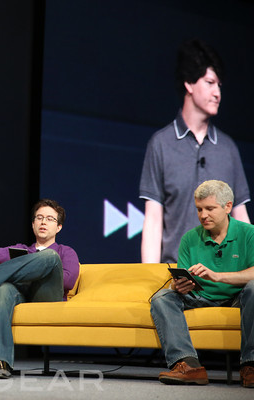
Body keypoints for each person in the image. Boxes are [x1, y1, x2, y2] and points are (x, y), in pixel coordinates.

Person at [140, 38, 250, 263]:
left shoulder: (228, 148)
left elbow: (241, 217)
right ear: (189, 84)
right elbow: (153, 220)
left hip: (224, 275)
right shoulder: (161, 144)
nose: (217, 93)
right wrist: (149, 277)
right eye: (210, 82)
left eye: (219, 85)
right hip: (177, 274)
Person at [0, 199, 80, 379]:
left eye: (50, 219)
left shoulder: (64, 251)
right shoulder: (21, 250)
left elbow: (68, 282)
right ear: (33, 224)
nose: (43, 222)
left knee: (49, 257)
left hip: (47, 295)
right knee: (3, 289)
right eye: (39, 218)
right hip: (21, 296)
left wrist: (34, 271)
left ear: (58, 227)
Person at [150, 180, 254, 387]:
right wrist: (179, 286)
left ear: (228, 206)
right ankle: (188, 365)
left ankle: (250, 365)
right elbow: (183, 277)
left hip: (238, 296)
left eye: (210, 208)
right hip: (201, 296)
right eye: (199, 209)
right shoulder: (190, 238)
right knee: (162, 297)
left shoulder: (249, 233)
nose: (203, 215)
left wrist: (218, 276)